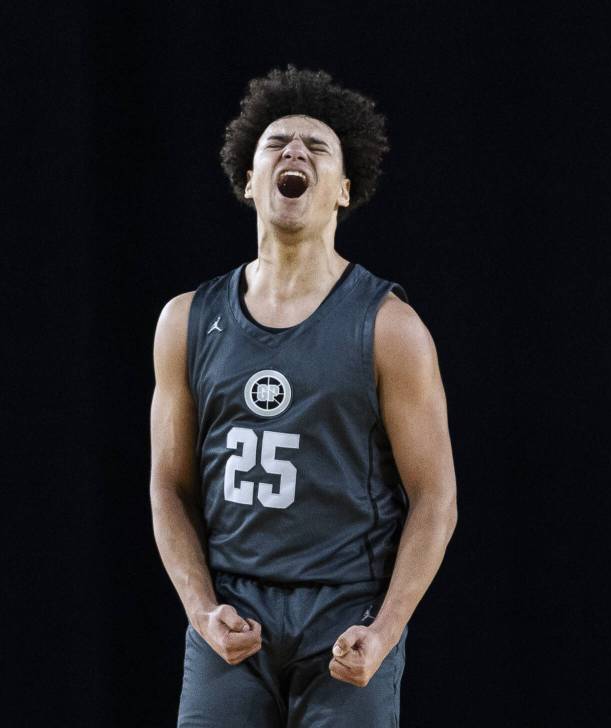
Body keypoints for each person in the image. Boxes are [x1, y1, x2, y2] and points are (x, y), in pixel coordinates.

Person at [150, 64, 457, 727]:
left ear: (345, 189)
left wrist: (387, 628)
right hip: (234, 610)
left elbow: (436, 496)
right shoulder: (186, 320)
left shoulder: (388, 326)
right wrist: (202, 609)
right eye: (277, 144)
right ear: (248, 181)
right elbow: (168, 489)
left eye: (317, 147)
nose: (295, 152)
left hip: (346, 613)